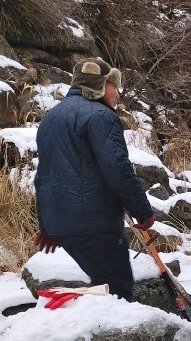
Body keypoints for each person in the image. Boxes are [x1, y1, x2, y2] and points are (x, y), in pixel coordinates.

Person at [34, 57, 155, 301]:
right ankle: (112, 338)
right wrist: (143, 211)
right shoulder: (100, 116)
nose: (118, 93)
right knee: (117, 292)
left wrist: (48, 224)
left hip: (64, 225)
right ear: (98, 85)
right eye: (114, 86)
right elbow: (117, 168)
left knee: (105, 287)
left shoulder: (51, 118)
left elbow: (45, 176)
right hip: (94, 223)